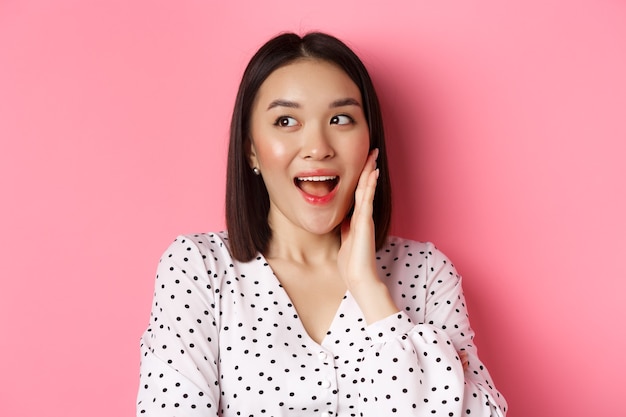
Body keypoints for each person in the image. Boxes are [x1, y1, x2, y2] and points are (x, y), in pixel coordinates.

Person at [136, 32, 507, 417]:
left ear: (369, 141)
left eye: (340, 119)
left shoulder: (427, 273)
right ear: (251, 150)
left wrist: (371, 292)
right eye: (285, 120)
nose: (318, 146)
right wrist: (433, 376)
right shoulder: (198, 269)